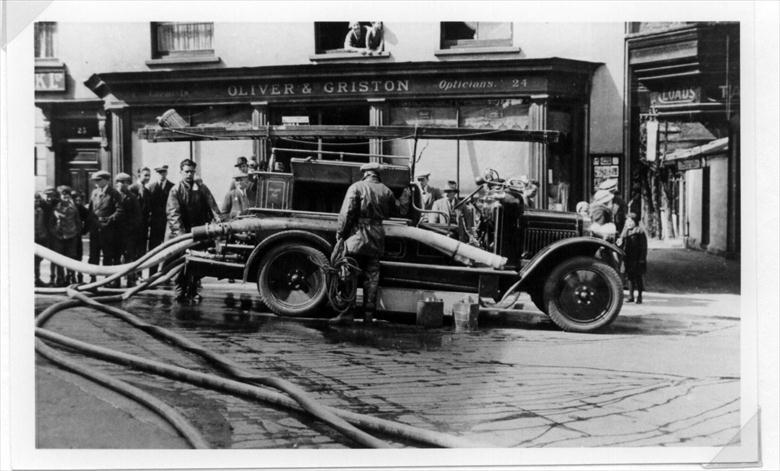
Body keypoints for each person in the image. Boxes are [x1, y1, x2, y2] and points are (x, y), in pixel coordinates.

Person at [329, 162, 404, 324]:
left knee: (348, 274)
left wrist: (340, 234)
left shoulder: (356, 187)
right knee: (372, 278)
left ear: (365, 174)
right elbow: (396, 211)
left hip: (357, 238)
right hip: (377, 239)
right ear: (377, 175)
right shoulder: (387, 191)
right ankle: (368, 316)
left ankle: (347, 313)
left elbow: (346, 213)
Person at [166, 159, 221, 303]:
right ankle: (179, 290)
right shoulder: (176, 190)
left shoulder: (201, 188)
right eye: (187, 171)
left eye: (192, 171)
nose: (189, 174)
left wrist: (218, 221)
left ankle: (193, 290)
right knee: (180, 263)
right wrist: (182, 237)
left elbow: (212, 205)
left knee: (197, 263)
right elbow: (173, 215)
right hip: (180, 234)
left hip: (198, 232)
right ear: (181, 172)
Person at [86, 170, 125, 283]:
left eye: (99, 180)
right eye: (95, 181)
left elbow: (120, 210)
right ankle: (92, 278)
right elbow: (91, 210)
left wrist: (108, 220)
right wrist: (91, 223)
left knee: (107, 254)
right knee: (93, 254)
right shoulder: (94, 192)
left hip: (108, 230)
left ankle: (107, 279)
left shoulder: (114, 193)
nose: (96, 183)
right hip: (95, 229)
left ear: (106, 180)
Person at [47, 186, 82, 286]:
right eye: (63, 196)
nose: (65, 198)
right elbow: (51, 223)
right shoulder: (56, 208)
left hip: (71, 236)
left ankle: (70, 277)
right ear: (60, 197)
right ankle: (60, 278)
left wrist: (76, 233)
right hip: (59, 237)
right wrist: (55, 232)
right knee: (59, 258)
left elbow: (78, 222)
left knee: (71, 257)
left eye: (67, 196)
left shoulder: (73, 208)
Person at [115, 172, 143, 287]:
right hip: (115, 232)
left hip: (128, 233)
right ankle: (115, 280)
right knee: (116, 256)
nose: (121, 185)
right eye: (119, 182)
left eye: (124, 182)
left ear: (128, 184)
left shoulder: (132, 197)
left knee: (129, 256)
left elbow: (137, 216)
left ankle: (130, 279)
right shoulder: (113, 195)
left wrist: (131, 228)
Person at [147, 165, 174, 274]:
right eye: (159, 173)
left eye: (163, 172)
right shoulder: (151, 187)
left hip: (168, 222)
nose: (161, 175)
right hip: (155, 222)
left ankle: (166, 272)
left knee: (168, 247)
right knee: (154, 248)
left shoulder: (172, 186)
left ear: (166, 173)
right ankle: (152, 273)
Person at [618, 212, 648, 304]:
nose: (629, 223)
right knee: (630, 277)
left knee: (638, 277)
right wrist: (620, 242)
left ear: (635, 222)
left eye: (631, 221)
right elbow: (621, 244)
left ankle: (639, 296)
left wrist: (642, 258)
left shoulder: (639, 231)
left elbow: (643, 246)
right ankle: (631, 296)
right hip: (628, 257)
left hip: (637, 257)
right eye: (627, 221)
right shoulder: (625, 231)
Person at [130, 167, 152, 264]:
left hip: (143, 226)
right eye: (145, 175)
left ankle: (138, 274)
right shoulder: (132, 189)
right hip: (132, 226)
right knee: (132, 251)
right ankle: (130, 276)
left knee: (141, 251)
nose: (148, 178)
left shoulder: (147, 191)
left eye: (149, 176)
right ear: (139, 175)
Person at [71, 191, 89, 283]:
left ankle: (79, 275)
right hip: (69, 235)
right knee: (70, 256)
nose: (78, 201)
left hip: (77, 236)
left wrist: (84, 231)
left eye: (80, 200)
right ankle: (71, 275)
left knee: (79, 256)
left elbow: (88, 219)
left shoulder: (82, 209)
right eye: (76, 200)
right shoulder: (70, 207)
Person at [34, 191, 52, 286]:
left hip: (41, 238)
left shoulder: (41, 210)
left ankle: (37, 278)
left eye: (38, 200)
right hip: (32, 239)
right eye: (35, 200)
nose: (36, 202)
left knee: (38, 260)